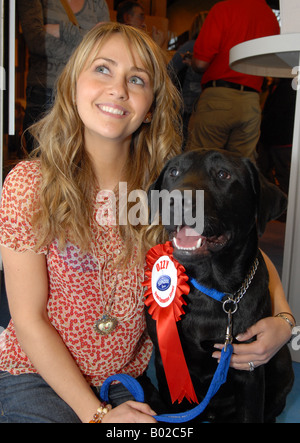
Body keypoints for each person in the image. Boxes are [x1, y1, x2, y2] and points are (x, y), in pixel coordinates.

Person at [0, 23, 294, 424]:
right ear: (72, 85)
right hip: (38, 374)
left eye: (136, 79)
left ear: (151, 105)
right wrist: (99, 414)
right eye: (103, 69)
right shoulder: (30, 186)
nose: (118, 89)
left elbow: (246, 253)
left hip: (127, 378)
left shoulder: (164, 188)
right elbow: (29, 320)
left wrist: (284, 322)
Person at [187, 0, 280, 162]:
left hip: (218, 98)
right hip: (251, 102)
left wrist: (192, 62)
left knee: (201, 165)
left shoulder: (224, 8)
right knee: (241, 171)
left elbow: (201, 63)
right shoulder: (270, 17)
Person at [17, 0, 110, 153]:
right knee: (42, 167)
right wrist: (87, 47)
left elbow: (105, 45)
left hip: (87, 95)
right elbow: (37, 41)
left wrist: (63, 30)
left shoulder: (97, 3)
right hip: (46, 92)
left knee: (82, 166)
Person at [168, 12, 208, 148]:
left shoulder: (191, 46)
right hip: (201, 104)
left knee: (183, 143)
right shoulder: (207, 48)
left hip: (186, 104)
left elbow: (170, 69)